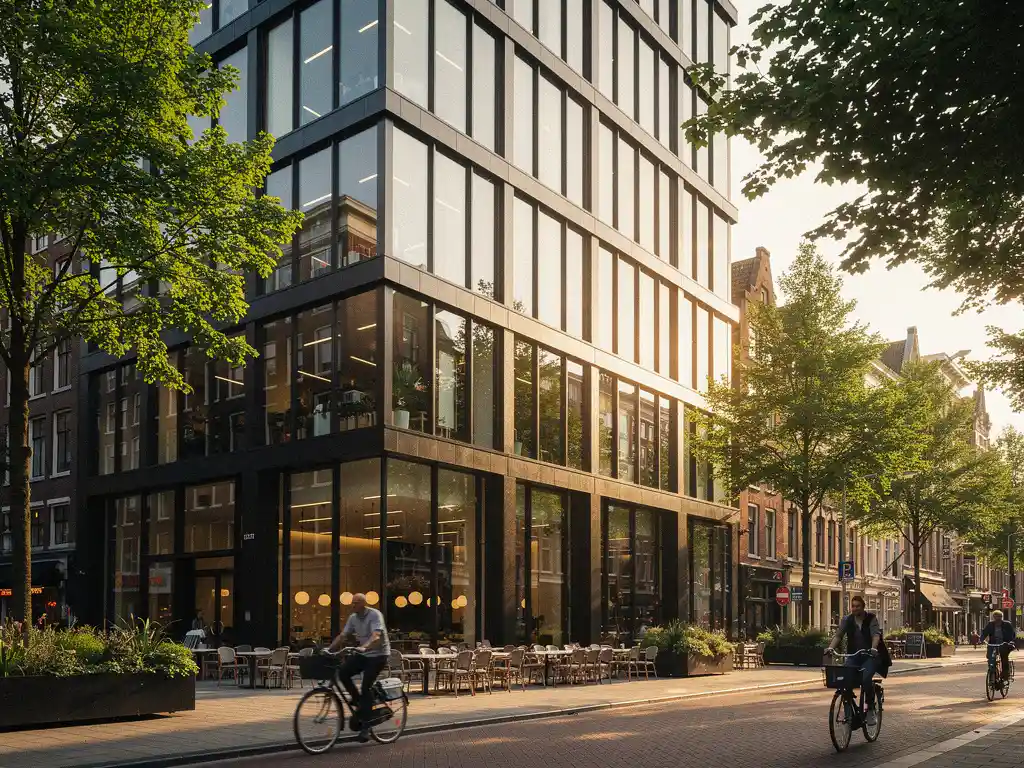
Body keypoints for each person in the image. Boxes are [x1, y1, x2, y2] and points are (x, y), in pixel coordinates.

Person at [328, 593, 390, 743]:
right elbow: (343, 636)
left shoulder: (375, 615)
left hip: (378, 655)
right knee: (343, 672)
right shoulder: (353, 617)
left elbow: (376, 635)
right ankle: (359, 702)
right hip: (363, 654)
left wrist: (365, 647)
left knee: (365, 686)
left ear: (363, 604)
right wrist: (329, 649)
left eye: (355, 603)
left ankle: (366, 727)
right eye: (352, 603)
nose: (352, 605)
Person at [826, 596, 891, 726]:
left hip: (870, 656)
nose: (855, 608)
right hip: (854, 655)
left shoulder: (871, 618)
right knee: (844, 679)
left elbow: (876, 635)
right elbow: (839, 635)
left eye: (858, 606)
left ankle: (871, 708)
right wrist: (830, 648)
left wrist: (873, 648)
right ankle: (849, 708)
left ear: (863, 606)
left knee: (865, 679)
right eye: (853, 606)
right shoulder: (847, 620)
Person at [981, 609, 1015, 681]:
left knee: (1004, 657)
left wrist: (1011, 642)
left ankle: (1005, 674)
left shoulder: (1007, 624)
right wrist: (981, 639)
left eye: (999, 617)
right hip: (993, 644)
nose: (997, 619)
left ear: (1001, 617)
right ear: (994, 617)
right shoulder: (990, 624)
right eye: (996, 617)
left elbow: (1012, 635)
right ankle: (992, 672)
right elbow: (984, 633)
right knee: (990, 657)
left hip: (1004, 644)